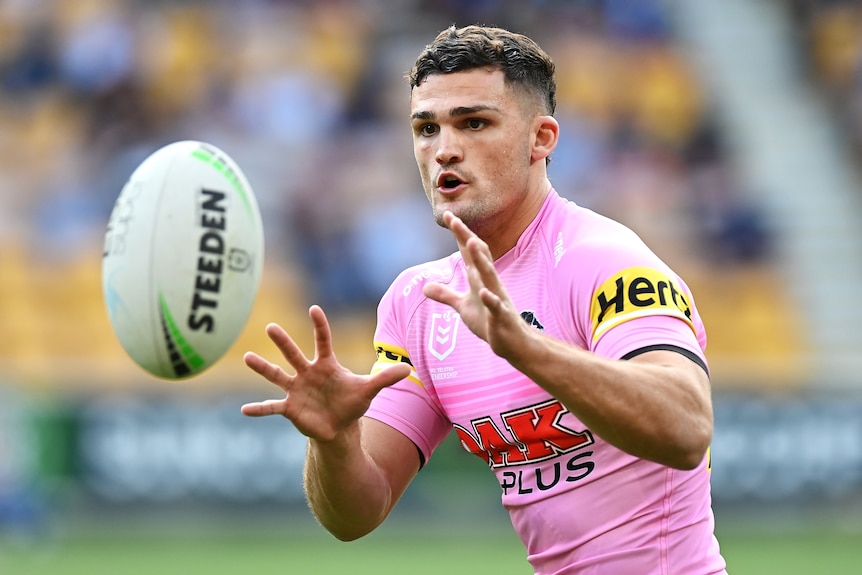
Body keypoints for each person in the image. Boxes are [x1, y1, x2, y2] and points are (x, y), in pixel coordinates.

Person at [241, 24, 728, 574]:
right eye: (427, 129)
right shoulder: (421, 302)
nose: (444, 150)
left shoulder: (603, 259)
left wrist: (526, 348)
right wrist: (332, 441)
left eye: (474, 123)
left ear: (541, 139)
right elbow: (357, 513)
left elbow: (687, 428)